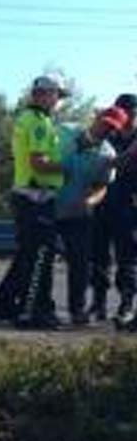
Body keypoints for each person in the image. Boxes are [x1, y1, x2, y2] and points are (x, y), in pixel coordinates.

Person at [0, 75, 68, 328]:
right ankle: (34, 312)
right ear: (43, 94)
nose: (58, 101)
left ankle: (4, 303)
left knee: (27, 255)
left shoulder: (33, 119)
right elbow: (38, 163)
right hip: (36, 197)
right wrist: (68, 168)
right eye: (56, 94)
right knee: (41, 256)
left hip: (29, 196)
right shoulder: (37, 122)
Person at [52, 107, 125, 326]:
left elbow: (102, 186)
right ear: (96, 117)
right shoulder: (64, 130)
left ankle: (77, 311)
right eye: (105, 123)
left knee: (80, 264)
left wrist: (91, 200)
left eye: (112, 128)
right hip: (46, 205)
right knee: (36, 259)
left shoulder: (108, 154)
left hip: (78, 214)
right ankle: (26, 306)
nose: (106, 129)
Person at [89, 94, 137, 322]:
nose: (129, 116)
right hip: (104, 202)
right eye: (125, 111)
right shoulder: (110, 136)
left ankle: (126, 305)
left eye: (133, 111)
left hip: (129, 206)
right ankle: (98, 303)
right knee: (99, 256)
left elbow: (121, 162)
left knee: (127, 258)